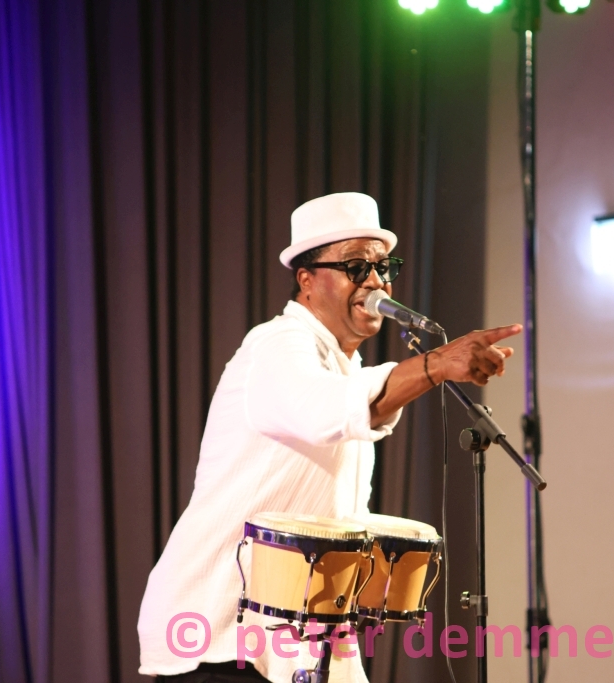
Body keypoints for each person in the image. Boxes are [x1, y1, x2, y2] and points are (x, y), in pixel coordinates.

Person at [137, 192, 521, 682]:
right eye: (356, 266)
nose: (376, 282)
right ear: (307, 280)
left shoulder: (342, 367)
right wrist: (436, 364)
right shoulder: (277, 344)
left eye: (383, 267)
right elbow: (326, 409)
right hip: (218, 633)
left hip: (294, 638)